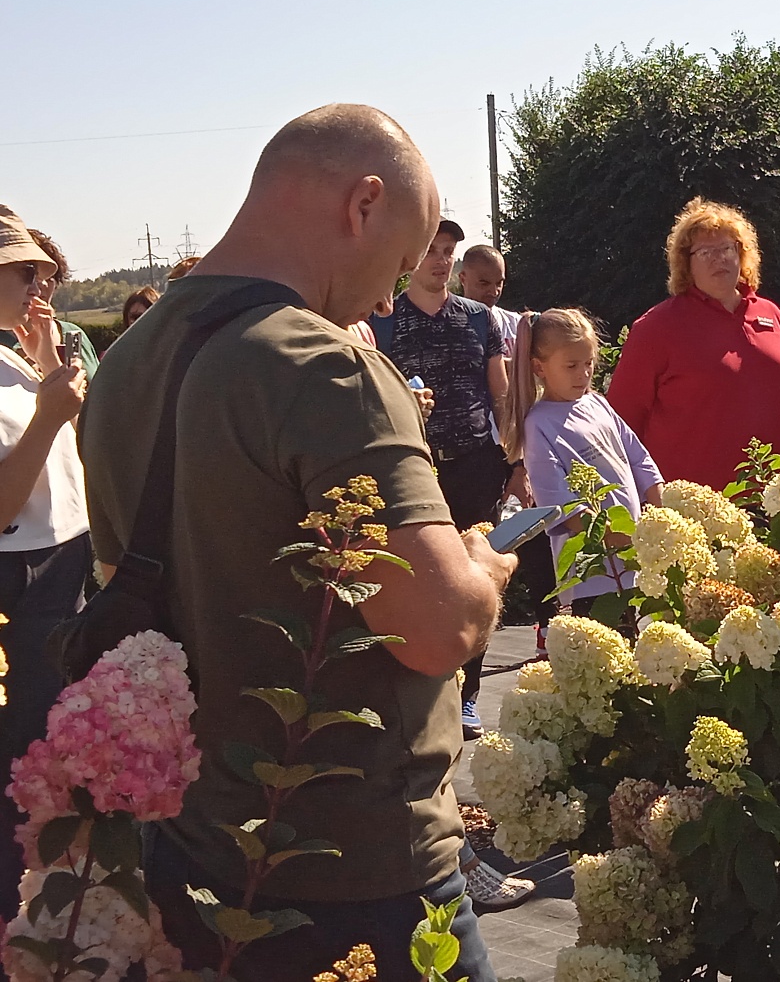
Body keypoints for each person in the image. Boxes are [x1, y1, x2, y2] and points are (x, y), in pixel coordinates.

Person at [78, 105, 516, 981]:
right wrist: (482, 567)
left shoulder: (128, 359)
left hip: (193, 849)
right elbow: (437, 628)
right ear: (362, 203)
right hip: (359, 872)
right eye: (398, 261)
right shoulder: (324, 365)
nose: (389, 300)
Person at [367, 219, 511, 740]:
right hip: (412, 469)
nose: (441, 260)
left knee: (480, 573)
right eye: (432, 249)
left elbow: (501, 396)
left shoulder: (479, 318)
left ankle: (468, 695)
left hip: (475, 461)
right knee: (414, 577)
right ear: (412, 256)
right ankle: (415, 696)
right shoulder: (382, 322)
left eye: (449, 251)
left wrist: (513, 461)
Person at [0, 204, 92, 931]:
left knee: (55, 763)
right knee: (18, 768)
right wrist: (48, 413)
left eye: (44, 272)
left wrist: (47, 384)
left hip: (64, 566)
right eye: (25, 270)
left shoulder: (17, 357)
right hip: (19, 582)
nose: (42, 284)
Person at [608, 198, 780, 491]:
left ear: (742, 254)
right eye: (705, 251)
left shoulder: (770, 314)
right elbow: (622, 424)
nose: (718, 258)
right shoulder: (656, 328)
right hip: (696, 514)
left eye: (726, 248)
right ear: (686, 263)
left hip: (777, 506)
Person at [509, 309, 662, 617]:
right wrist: (633, 542)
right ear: (539, 367)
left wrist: (665, 512)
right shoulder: (538, 425)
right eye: (571, 366)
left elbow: (640, 459)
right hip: (595, 580)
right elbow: (565, 512)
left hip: (638, 567)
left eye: (589, 363)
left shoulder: (598, 404)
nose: (584, 374)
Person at [456, 243, 559, 658]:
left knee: (534, 539)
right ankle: (469, 640)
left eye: (499, 283)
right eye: (484, 282)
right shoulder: (456, 323)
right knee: (475, 544)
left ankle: (548, 624)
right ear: (462, 277)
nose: (493, 291)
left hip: (515, 447)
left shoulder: (515, 325)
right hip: (475, 453)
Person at [0, 229, 101, 379]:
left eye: (51, 277)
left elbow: (99, 396)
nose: (40, 286)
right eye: (29, 274)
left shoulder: (74, 333)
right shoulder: (4, 346)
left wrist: (48, 363)